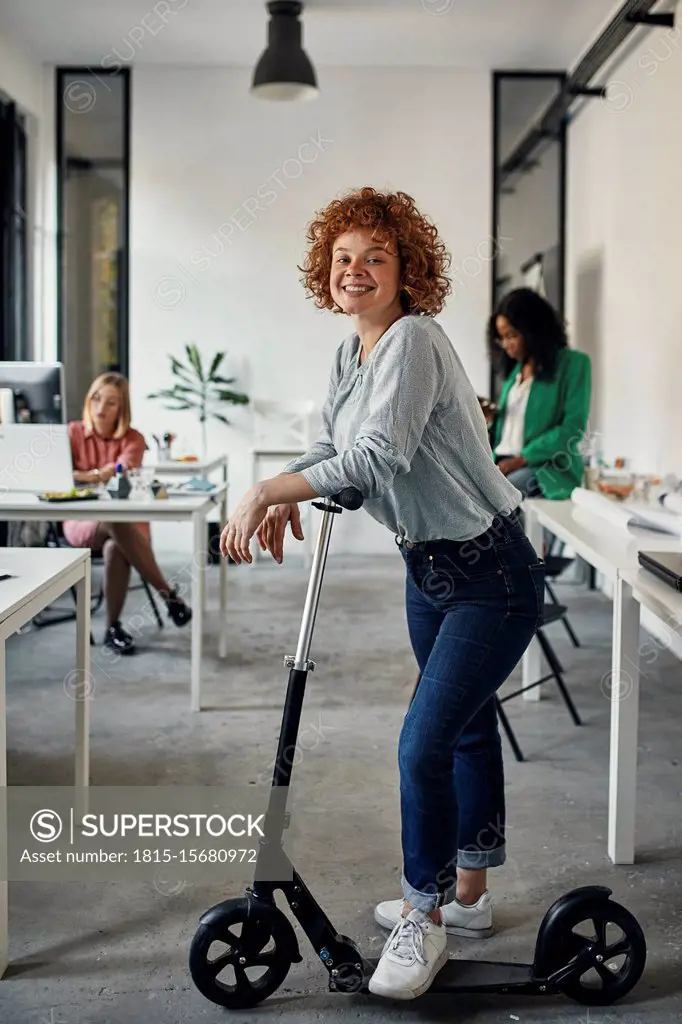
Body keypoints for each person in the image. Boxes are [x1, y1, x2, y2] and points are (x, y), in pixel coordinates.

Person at [219, 187, 544, 1001]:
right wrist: (295, 484)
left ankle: (425, 919)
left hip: (490, 575)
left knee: (421, 746)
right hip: (428, 571)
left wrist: (269, 492)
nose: (354, 271)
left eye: (375, 256)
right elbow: (333, 443)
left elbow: (372, 461)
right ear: (324, 273)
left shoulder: (414, 341)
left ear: (408, 269)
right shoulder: (351, 353)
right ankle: (466, 898)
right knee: (464, 732)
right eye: (342, 258)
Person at [64, 372, 191, 655]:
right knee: (113, 519)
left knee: (115, 547)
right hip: (82, 520)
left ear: (122, 408)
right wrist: (95, 474)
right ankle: (169, 596)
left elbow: (116, 473)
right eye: (97, 398)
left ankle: (113, 628)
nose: (101, 407)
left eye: (111, 402)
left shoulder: (133, 438)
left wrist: (83, 475)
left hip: (128, 524)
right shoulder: (72, 432)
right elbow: (66, 475)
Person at [486, 288, 592, 500]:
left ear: (533, 329)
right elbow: (510, 429)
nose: (506, 345)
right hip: (504, 463)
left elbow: (572, 428)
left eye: (512, 336)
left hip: (544, 469)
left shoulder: (574, 364)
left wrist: (522, 459)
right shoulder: (515, 373)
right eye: (502, 338)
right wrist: (489, 419)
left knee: (492, 501)